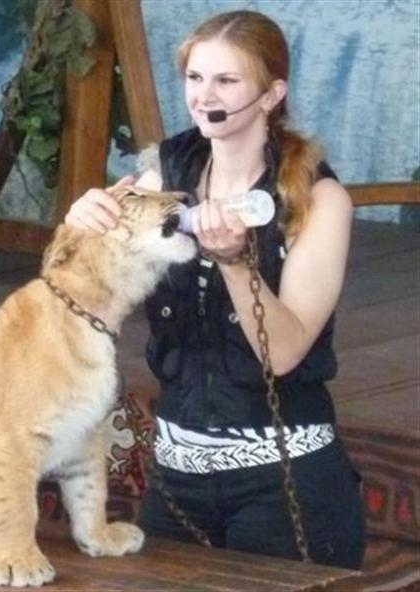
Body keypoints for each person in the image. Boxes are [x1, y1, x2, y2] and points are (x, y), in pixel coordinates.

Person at [65, 10, 365, 569]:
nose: (204, 96)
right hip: (176, 479)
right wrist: (81, 226)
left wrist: (235, 263)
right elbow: (86, 299)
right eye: (195, 78)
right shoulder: (162, 176)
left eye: (226, 81)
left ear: (272, 94)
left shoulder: (319, 200)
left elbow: (285, 353)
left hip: (284, 481)